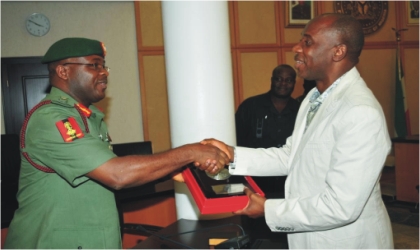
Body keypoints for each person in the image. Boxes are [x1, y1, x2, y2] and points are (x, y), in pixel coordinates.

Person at [4, 37, 229, 249]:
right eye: (94, 65)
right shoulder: (52, 119)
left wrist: (169, 171)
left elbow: (102, 175)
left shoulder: (88, 117)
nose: (103, 73)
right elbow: (117, 175)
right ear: (63, 71)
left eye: (104, 66)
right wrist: (191, 152)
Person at [200, 13, 393, 248]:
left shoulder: (361, 112)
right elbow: (290, 156)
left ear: (338, 51)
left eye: (308, 42)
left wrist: (269, 209)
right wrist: (231, 155)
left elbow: (341, 206)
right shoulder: (313, 97)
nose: (296, 48)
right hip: (308, 236)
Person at [235, 64, 299, 198]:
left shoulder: (301, 110)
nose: (283, 84)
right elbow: (237, 142)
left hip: (290, 185)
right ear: (272, 80)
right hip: (255, 183)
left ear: (294, 83)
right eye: (279, 79)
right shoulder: (250, 106)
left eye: (288, 80)